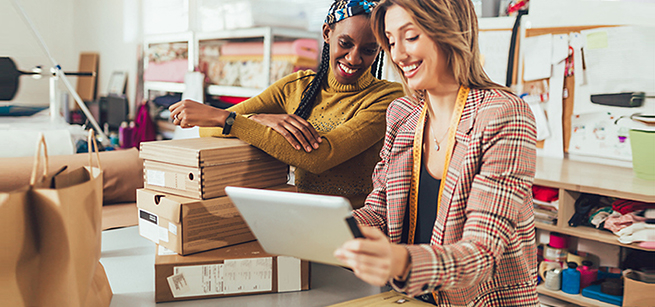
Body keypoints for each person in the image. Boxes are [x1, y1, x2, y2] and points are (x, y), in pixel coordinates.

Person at [334, 0, 539, 306]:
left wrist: (400, 261)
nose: (398, 54)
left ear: (450, 30)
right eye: (391, 41)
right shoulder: (403, 114)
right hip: (413, 297)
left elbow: (481, 253)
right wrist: (332, 227)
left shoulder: (503, 114)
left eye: (411, 36)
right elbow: (380, 213)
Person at [169, 0, 403, 209]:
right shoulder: (296, 86)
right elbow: (207, 128)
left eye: (368, 50)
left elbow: (321, 156)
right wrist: (255, 119)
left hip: (355, 229)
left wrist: (228, 119)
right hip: (297, 218)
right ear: (327, 33)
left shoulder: (387, 98)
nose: (353, 58)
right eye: (345, 43)